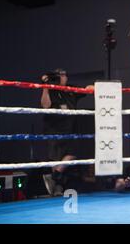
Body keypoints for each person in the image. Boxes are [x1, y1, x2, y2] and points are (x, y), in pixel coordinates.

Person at [40, 68, 94, 196]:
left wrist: (99, 87)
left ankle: (53, 177)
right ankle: (57, 188)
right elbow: (45, 105)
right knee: (57, 159)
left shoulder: (70, 90)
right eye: (60, 75)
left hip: (69, 131)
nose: (63, 77)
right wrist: (45, 86)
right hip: (53, 131)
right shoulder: (50, 89)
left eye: (64, 75)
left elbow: (87, 89)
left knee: (72, 154)